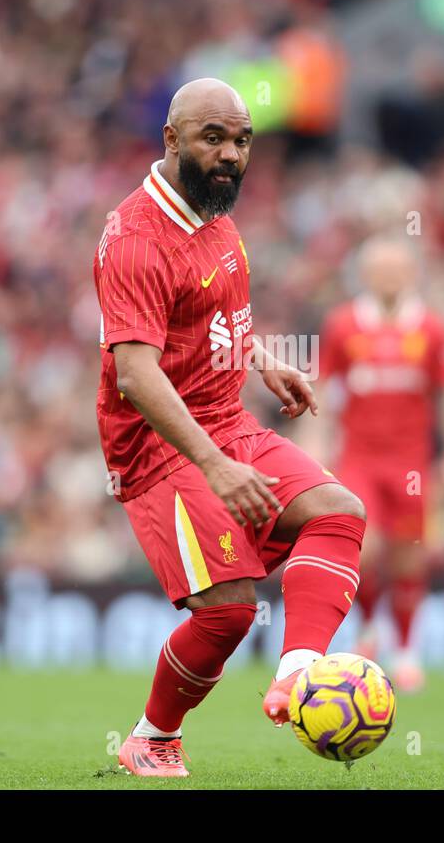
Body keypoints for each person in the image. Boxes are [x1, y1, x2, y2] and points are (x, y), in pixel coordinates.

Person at [93, 79, 367, 776]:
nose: (230, 154)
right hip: (162, 446)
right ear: (171, 139)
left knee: (338, 512)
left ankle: (299, 673)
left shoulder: (213, 210)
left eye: (241, 140)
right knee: (229, 615)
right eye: (212, 137)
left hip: (228, 420)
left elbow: (208, 318)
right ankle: (151, 737)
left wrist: (264, 358)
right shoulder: (134, 240)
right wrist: (214, 464)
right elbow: (136, 374)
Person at [312, 235, 444, 692]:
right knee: (365, 548)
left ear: (412, 273)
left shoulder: (432, 329)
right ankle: (366, 631)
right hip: (359, 459)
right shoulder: (343, 326)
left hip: (412, 464)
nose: (389, 277)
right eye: (380, 269)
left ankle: (406, 653)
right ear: (364, 274)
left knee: (408, 559)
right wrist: (316, 441)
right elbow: (322, 389)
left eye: (397, 269)